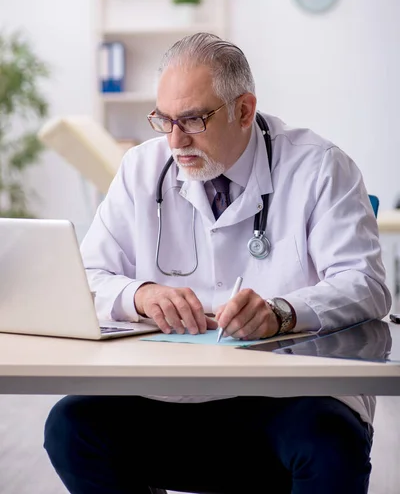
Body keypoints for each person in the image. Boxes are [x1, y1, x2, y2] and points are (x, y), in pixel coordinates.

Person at [44, 32, 391, 494]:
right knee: (71, 426)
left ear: (244, 110)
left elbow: (365, 283)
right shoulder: (140, 169)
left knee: (329, 441)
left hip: (289, 396)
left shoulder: (321, 167)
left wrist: (283, 312)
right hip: (165, 392)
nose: (175, 139)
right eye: (163, 120)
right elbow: (86, 278)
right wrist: (140, 295)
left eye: (192, 120)